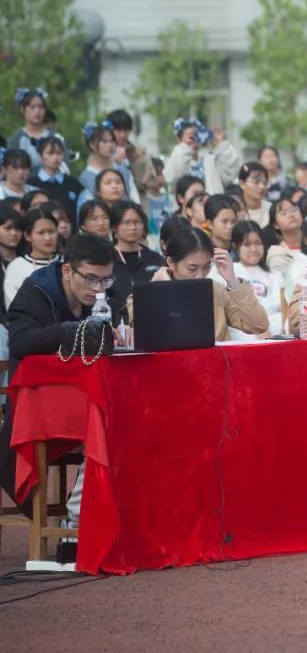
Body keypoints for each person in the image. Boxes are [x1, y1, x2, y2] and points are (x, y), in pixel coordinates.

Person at [1, 233, 120, 526]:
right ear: (68, 270)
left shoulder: (104, 292)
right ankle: (77, 521)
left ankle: (90, 515)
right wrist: (71, 331)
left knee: (126, 426)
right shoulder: (36, 291)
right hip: (41, 405)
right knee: (109, 426)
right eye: (91, 279)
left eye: (106, 280)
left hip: (90, 398)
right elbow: (20, 343)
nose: (98, 289)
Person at [144, 227, 269, 340]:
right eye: (192, 269)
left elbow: (258, 325)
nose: (200, 275)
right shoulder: (147, 293)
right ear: (171, 262)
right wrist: (162, 291)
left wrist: (233, 281)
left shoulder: (217, 291)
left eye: (206, 266)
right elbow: (146, 330)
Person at [228, 220, 284, 337]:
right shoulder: (231, 272)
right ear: (235, 246)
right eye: (247, 245)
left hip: (277, 331)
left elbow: (283, 308)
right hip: (246, 332)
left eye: (258, 243)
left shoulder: (275, 274)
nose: (254, 249)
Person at [163, 118, 241, 196]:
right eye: (191, 137)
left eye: (198, 137)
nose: (195, 141)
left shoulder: (211, 161)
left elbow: (230, 174)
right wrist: (185, 147)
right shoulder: (173, 160)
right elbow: (172, 178)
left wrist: (220, 144)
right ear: (179, 140)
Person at [108, 199, 166, 303]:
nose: (133, 227)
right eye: (127, 222)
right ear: (114, 227)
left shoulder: (155, 259)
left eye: (137, 222)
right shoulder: (106, 259)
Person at [4, 208, 60, 308]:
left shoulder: (66, 262)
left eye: (51, 231)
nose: (47, 238)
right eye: (41, 233)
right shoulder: (17, 266)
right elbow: (13, 307)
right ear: (28, 236)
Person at [78, 121, 138, 206]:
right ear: (91, 144)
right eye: (104, 141)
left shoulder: (123, 170)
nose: (110, 145)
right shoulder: (86, 178)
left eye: (112, 141)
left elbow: (135, 201)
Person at [107, 109, 154, 204]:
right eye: (118, 130)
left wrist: (138, 161)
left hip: (138, 204)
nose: (123, 135)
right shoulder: (105, 154)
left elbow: (150, 181)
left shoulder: (137, 151)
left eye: (126, 130)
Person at [34, 135, 84, 223]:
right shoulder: (32, 184)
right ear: (40, 156)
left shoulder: (73, 183)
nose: (55, 158)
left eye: (59, 153)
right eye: (50, 153)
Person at [7, 87, 54, 172]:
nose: (37, 111)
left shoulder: (53, 137)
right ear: (22, 110)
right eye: (32, 107)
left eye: (41, 107)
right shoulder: (15, 140)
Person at [238, 161, 272, 227]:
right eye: (256, 182)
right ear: (242, 184)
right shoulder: (235, 211)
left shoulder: (270, 208)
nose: (262, 187)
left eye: (265, 183)